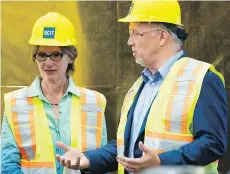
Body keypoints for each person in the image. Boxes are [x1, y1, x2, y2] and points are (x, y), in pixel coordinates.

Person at [55, 1, 228, 174]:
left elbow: (213, 143)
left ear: (162, 36)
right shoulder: (139, 86)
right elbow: (126, 148)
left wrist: (162, 161)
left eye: (136, 33)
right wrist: (87, 159)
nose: (130, 42)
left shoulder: (202, 78)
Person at [1, 12, 108, 174]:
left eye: (56, 55)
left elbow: (100, 164)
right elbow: (8, 165)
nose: (48, 63)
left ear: (71, 57)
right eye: (42, 55)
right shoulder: (15, 102)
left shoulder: (94, 102)